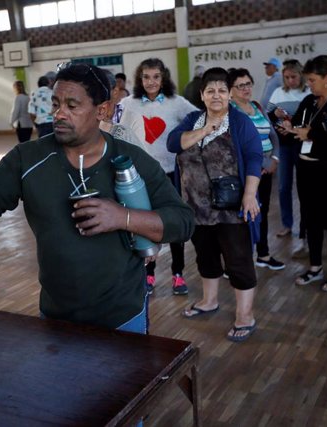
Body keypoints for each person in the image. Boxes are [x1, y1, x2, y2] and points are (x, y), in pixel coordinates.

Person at [0, 62, 195, 335]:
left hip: (123, 315)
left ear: (102, 110)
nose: (59, 114)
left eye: (72, 106)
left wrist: (122, 217)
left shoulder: (130, 159)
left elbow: (182, 220)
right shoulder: (28, 158)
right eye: (56, 104)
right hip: (56, 316)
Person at [167, 67, 262, 342]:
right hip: (196, 207)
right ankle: (209, 301)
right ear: (202, 95)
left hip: (232, 207)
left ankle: (245, 315)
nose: (216, 95)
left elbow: (255, 156)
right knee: (205, 256)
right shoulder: (192, 119)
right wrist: (206, 128)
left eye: (222, 90)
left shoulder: (240, 122)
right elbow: (174, 143)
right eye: (210, 91)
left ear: (229, 94)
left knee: (238, 259)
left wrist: (250, 194)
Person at [118, 58, 199, 296]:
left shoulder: (177, 103)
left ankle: (177, 273)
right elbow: (118, 131)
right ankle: (149, 272)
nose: (151, 82)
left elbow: (198, 119)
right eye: (146, 77)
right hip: (141, 176)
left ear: (163, 78)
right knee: (145, 224)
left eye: (155, 76)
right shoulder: (129, 103)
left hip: (172, 175)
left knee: (172, 224)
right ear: (139, 79)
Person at [281, 54, 327, 292]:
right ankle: (315, 266)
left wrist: (310, 134)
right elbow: (299, 126)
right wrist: (289, 129)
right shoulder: (310, 102)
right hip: (307, 170)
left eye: (312, 80)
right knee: (311, 218)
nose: (309, 85)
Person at [229, 68, 284, 271]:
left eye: (248, 84)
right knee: (242, 215)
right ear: (231, 90)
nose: (246, 89)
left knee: (262, 212)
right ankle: (237, 261)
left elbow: (273, 135)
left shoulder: (257, 106)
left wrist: (275, 158)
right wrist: (260, 164)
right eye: (240, 85)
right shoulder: (231, 113)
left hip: (266, 171)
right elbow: (237, 146)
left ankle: (263, 254)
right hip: (247, 172)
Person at [266, 59, 311, 247]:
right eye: (287, 77)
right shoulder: (278, 92)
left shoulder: (308, 92)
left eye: (293, 77)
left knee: (304, 186)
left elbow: (312, 118)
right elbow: (268, 116)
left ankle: (306, 225)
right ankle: (287, 223)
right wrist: (276, 117)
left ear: (300, 75)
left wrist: (297, 127)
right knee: (284, 186)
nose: (290, 80)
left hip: (303, 143)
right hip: (284, 144)